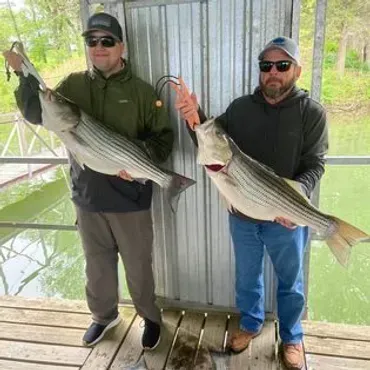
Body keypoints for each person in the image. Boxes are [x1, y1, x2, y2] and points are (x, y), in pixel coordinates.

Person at [3, 12, 174, 350]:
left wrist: (138, 160)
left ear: (121, 46)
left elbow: (164, 140)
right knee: (97, 266)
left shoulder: (141, 92)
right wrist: (24, 75)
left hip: (130, 198)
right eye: (91, 41)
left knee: (139, 266)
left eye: (106, 41)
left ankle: (149, 318)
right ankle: (103, 316)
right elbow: (37, 112)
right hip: (88, 196)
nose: (99, 47)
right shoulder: (71, 86)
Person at [174, 36, 328, 369]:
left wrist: (296, 198)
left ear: (297, 71)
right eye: (266, 66)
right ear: (260, 71)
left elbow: (316, 164)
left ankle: (291, 336)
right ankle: (250, 324)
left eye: (282, 65)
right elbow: (211, 143)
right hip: (242, 215)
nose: (273, 72)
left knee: (291, 281)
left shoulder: (311, 113)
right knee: (247, 277)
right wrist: (193, 116)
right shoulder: (240, 108)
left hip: (285, 215)